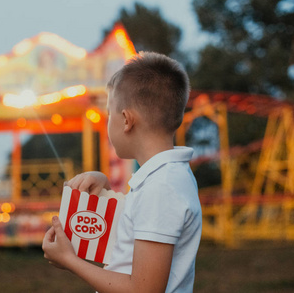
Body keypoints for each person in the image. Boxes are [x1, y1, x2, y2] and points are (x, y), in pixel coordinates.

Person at [42, 51, 202, 293]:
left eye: (109, 114)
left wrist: (71, 262)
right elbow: (133, 237)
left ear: (127, 120)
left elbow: (143, 290)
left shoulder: (161, 188)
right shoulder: (164, 178)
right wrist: (105, 189)